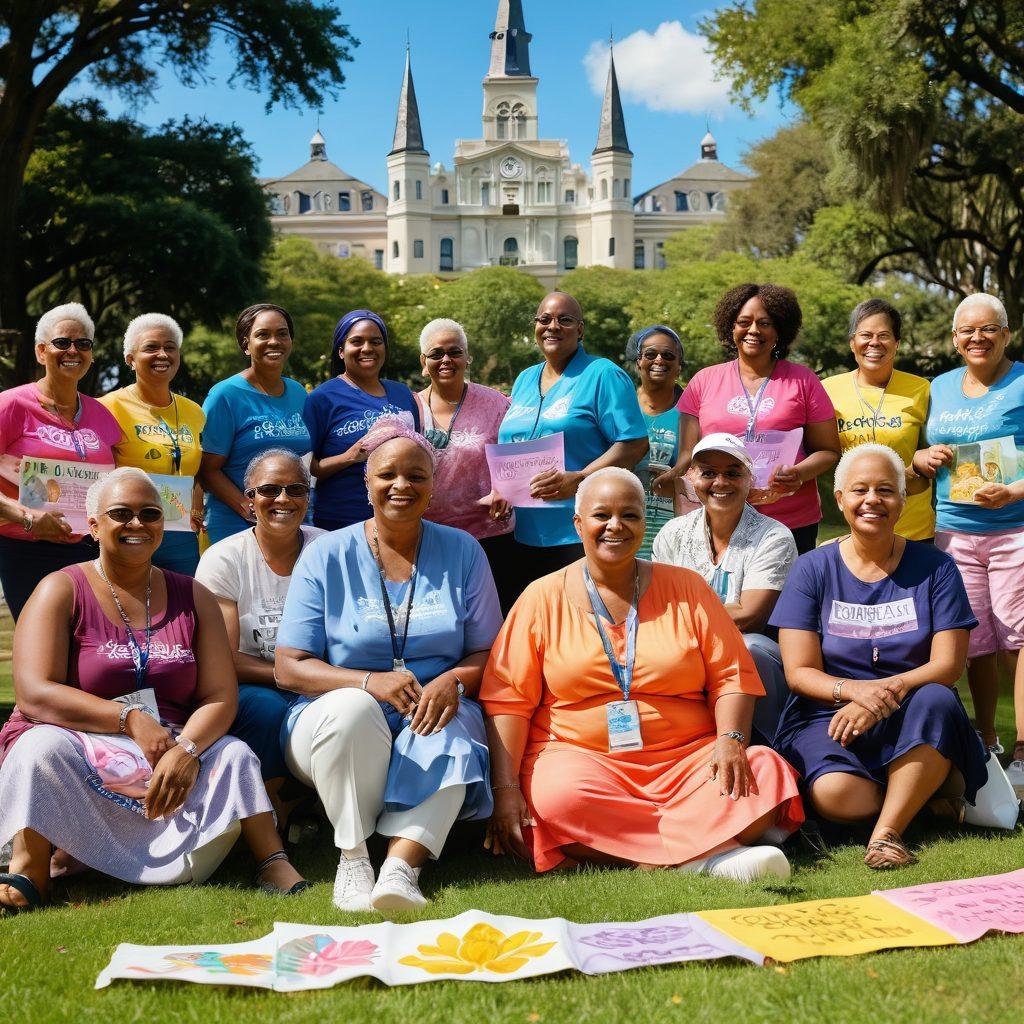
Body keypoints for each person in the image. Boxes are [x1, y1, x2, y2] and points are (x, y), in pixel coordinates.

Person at [0, 468, 306, 912]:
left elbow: (220, 696)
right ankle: (31, 870)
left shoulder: (193, 594)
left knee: (234, 753)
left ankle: (271, 860)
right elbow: (34, 693)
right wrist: (128, 719)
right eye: (121, 513)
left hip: (170, 745)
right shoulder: (61, 588)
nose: (138, 524)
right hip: (82, 739)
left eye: (151, 514)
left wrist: (186, 748)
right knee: (40, 748)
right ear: (94, 524)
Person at [481, 467, 803, 881]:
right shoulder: (541, 597)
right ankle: (706, 857)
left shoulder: (687, 587)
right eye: (602, 515)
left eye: (630, 515)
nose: (616, 526)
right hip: (582, 760)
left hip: (688, 760)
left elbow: (731, 675)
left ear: (644, 523)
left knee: (763, 769)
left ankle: (658, 855)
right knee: (555, 798)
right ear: (578, 523)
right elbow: (508, 699)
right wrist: (506, 790)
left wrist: (730, 740)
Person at [275, 419, 502, 912]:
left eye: (417, 476)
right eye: (388, 475)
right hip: (335, 715)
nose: (402, 485)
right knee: (352, 709)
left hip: (431, 701)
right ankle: (353, 858)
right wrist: (368, 682)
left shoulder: (463, 550)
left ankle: (402, 868)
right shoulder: (324, 555)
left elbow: (490, 652)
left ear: (433, 485)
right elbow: (289, 668)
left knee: (450, 723)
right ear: (367, 482)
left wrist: (452, 681)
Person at [770, 444, 988, 869]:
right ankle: (922, 798)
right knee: (834, 797)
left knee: (938, 697)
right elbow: (799, 672)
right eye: (860, 490)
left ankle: (886, 834)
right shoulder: (811, 568)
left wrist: (883, 695)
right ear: (840, 500)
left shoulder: (936, 567)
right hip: (829, 712)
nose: (873, 500)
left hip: (914, 707)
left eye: (886, 490)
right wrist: (854, 693)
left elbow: (948, 666)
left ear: (903, 501)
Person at [911, 292, 1024, 781]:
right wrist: (922, 459)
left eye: (988, 329)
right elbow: (922, 453)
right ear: (955, 339)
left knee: (1017, 640)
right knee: (973, 639)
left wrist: (1016, 491)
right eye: (967, 331)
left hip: (1014, 529)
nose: (977, 338)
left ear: (1006, 333)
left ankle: (1023, 751)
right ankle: (986, 741)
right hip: (953, 532)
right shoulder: (939, 387)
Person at [666, 284, 841, 554]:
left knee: (789, 596)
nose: (753, 330)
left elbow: (829, 451)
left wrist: (798, 473)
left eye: (765, 323)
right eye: (743, 322)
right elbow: (689, 454)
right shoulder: (703, 381)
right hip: (719, 518)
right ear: (731, 328)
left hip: (789, 521)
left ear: (779, 330)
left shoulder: (804, 380)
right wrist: (674, 473)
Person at [195, 449, 324, 813]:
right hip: (256, 682)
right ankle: (273, 810)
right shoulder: (224, 559)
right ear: (249, 499)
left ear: (307, 497)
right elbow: (225, 659)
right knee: (267, 709)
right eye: (269, 489)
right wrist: (293, 676)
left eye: (295, 489)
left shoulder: (328, 547)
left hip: (321, 679)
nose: (283, 499)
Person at [497, 292, 648, 601]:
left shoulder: (603, 374)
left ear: (580, 330)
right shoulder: (525, 378)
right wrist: (502, 489)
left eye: (565, 320)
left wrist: (580, 479)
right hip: (520, 534)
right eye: (545, 319)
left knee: (581, 631)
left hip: (576, 534)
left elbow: (634, 443)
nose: (553, 326)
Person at [652, 434, 797, 744]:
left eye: (733, 472)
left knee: (749, 647)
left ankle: (773, 744)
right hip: (686, 645)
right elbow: (656, 606)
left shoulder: (774, 537)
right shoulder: (672, 533)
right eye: (708, 473)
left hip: (750, 653)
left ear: (750, 479)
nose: (721, 482)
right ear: (691, 477)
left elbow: (749, 616)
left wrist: (681, 617)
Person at [0, 303, 120, 620]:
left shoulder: (103, 415)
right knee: (42, 653)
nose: (73, 350)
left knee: (90, 656)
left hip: (92, 551)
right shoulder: (11, 405)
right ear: (41, 352)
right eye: (62, 342)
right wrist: (27, 516)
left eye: (83, 344)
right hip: (29, 549)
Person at [415, 318, 518, 613]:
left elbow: (514, 457)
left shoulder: (496, 403)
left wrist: (506, 490)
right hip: (428, 538)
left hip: (489, 536)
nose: (446, 360)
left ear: (467, 357)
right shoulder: (411, 407)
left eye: (455, 352)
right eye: (436, 354)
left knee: (492, 620)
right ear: (424, 362)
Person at [100, 313, 206, 575]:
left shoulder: (194, 412)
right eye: (151, 347)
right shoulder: (108, 408)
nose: (162, 354)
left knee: (183, 609)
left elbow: (201, 470)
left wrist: (197, 506)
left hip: (180, 533)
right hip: (129, 529)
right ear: (131, 359)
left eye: (170, 347)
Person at [822, 299, 933, 541]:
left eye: (884, 335)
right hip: (853, 528)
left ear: (897, 344)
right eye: (866, 335)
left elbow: (932, 452)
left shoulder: (921, 389)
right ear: (853, 343)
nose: (874, 343)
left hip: (914, 528)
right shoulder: (827, 390)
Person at [200, 304, 310, 545]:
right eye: (263, 334)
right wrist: (249, 509)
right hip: (237, 522)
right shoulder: (225, 395)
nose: (274, 341)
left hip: (290, 518)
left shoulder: (299, 392)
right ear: (245, 344)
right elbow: (208, 469)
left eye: (282, 333)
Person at [303, 309, 420, 532]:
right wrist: (349, 457)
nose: (367, 348)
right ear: (341, 351)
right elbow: (307, 467)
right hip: (341, 522)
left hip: (399, 520)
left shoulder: (402, 394)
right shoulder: (322, 398)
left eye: (375, 342)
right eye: (357, 341)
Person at [628, 325, 686, 558]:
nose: (659, 360)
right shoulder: (621, 406)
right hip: (625, 522)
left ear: (679, 366)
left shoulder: (692, 411)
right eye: (650, 354)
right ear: (638, 362)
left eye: (668, 355)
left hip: (675, 527)